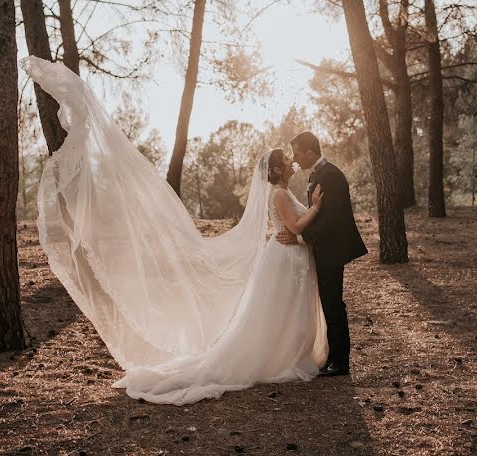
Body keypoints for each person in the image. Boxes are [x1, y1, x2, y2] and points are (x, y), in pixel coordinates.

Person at [21, 56, 328, 405]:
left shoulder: (283, 192)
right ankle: (281, 358)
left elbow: (294, 228)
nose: (291, 161)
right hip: (286, 259)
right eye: (286, 159)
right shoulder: (281, 194)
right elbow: (295, 225)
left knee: (283, 312)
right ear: (276, 169)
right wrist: (316, 208)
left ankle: (287, 353)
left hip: (288, 258)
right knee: (279, 313)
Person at [277, 131, 368, 377]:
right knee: (327, 302)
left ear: (309, 152)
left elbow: (332, 219)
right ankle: (332, 357)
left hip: (332, 249)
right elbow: (317, 213)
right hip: (323, 248)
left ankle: (340, 361)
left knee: (333, 303)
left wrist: (299, 238)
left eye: (297, 153)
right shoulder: (319, 174)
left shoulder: (331, 176)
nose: (295, 159)